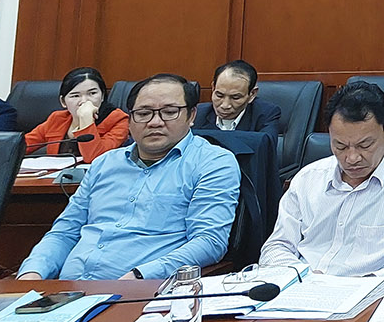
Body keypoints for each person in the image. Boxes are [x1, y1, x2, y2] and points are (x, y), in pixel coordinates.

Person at [17, 73, 240, 280]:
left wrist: (140, 276)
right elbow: (65, 232)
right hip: (67, 291)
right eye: (143, 114)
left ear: (191, 116)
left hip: (143, 293)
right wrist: (32, 273)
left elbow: (209, 242)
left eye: (170, 112)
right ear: (130, 119)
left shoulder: (212, 162)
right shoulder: (105, 163)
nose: (155, 122)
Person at [259, 81, 384, 277]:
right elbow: (276, 246)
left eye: (365, 145)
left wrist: (371, 282)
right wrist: (303, 276)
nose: (352, 158)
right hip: (304, 285)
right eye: (340, 146)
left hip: (376, 289)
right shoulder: (308, 178)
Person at [23, 66, 129, 162]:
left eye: (92, 93)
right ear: (63, 102)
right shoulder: (57, 119)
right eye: (75, 96)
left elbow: (94, 158)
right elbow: (20, 147)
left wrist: (86, 120)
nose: (84, 101)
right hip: (55, 176)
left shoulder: (118, 120)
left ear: (102, 97)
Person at [193, 60, 284, 138]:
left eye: (235, 97)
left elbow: (265, 148)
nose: (225, 105)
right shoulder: (197, 113)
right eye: (219, 95)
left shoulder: (266, 114)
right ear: (213, 88)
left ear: (252, 94)